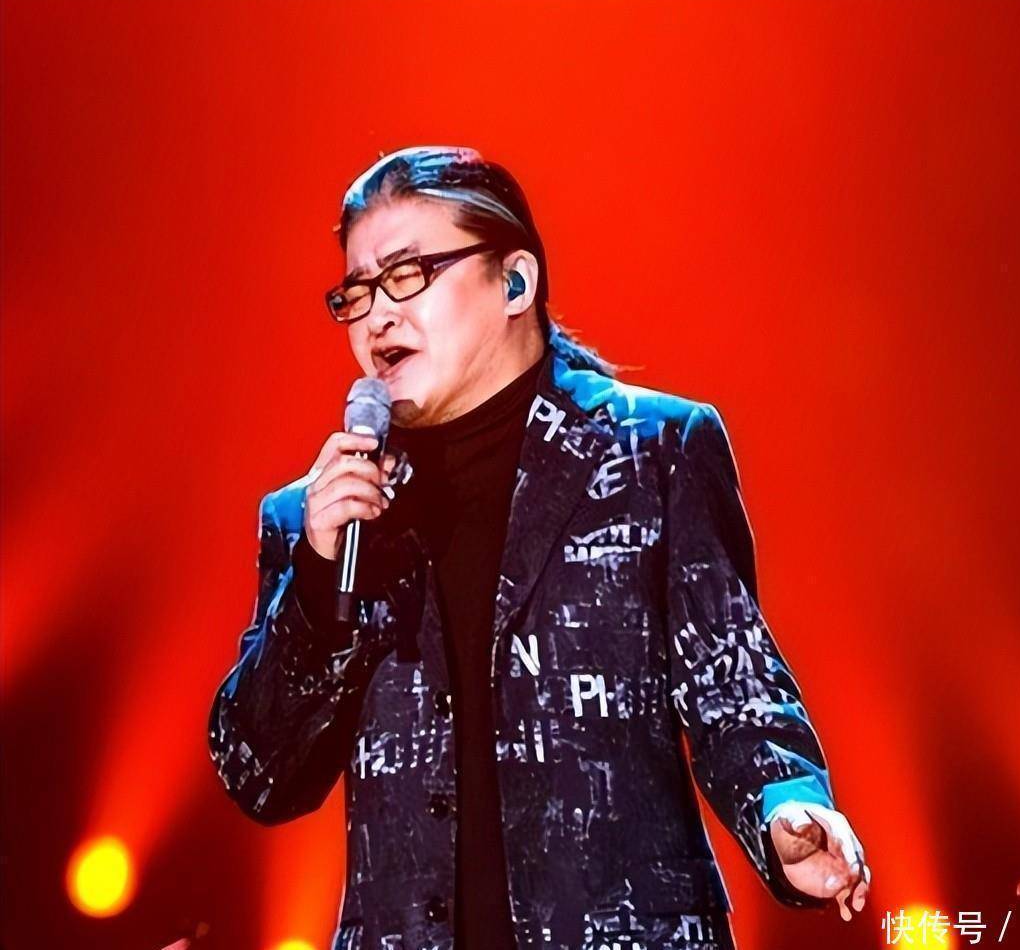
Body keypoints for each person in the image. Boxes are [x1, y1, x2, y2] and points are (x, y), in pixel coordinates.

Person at [207, 145, 870, 950]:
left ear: (515, 282)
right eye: (357, 292)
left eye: (407, 275)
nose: (378, 315)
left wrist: (784, 804)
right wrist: (316, 583)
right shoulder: (317, 519)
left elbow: (733, 684)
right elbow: (260, 776)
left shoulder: (651, 453)